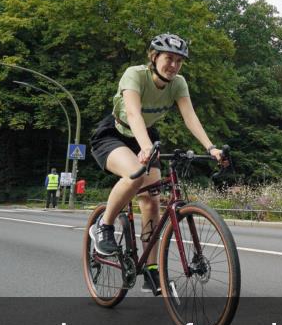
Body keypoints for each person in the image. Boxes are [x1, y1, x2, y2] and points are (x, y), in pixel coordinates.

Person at [89, 33, 224, 295]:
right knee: (135, 174)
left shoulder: (178, 84)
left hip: (146, 137)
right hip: (115, 134)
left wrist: (211, 147)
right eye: (168, 59)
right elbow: (132, 113)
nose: (173, 65)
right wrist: (145, 147)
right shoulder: (135, 74)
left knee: (152, 200)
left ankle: (151, 271)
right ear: (154, 57)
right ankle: (103, 226)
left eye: (178, 61)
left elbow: (190, 117)